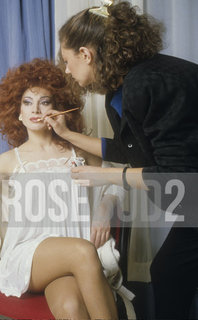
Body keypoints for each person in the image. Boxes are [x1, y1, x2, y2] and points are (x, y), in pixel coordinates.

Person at [51, 1, 198, 318]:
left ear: (86, 54)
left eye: (67, 60)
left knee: (169, 272)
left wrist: (105, 177)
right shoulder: (119, 89)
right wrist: (66, 134)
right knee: (168, 271)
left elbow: (179, 177)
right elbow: (129, 149)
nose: (67, 70)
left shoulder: (150, 82)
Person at [0, 59, 124, 319]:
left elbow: (119, 176)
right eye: (27, 102)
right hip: (28, 254)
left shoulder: (79, 152)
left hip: (71, 258)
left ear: (58, 109)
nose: (35, 109)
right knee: (83, 251)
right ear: (17, 111)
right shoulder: (10, 160)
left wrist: (105, 207)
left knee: (71, 307)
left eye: (45, 101)